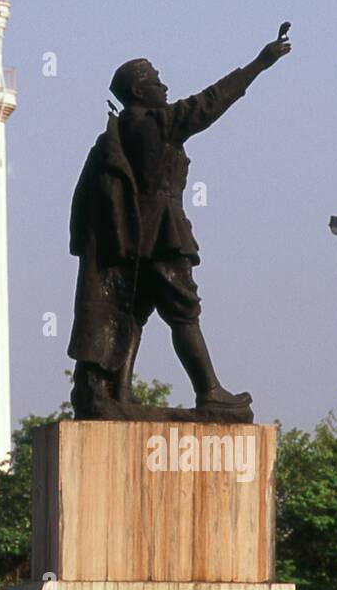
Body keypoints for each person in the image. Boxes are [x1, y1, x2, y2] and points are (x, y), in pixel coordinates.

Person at [67, 33, 291, 419]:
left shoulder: (122, 130)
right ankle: (210, 391)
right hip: (161, 238)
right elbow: (208, 104)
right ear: (139, 90)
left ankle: (117, 393)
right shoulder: (151, 124)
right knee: (184, 312)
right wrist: (259, 64)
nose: (164, 85)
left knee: (134, 314)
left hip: (138, 241)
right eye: (156, 79)